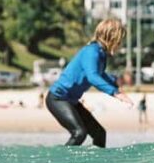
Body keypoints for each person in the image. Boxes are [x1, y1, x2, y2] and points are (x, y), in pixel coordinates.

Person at [45, 18, 133, 147]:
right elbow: (93, 77)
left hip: (71, 101)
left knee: (99, 133)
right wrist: (115, 93)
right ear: (111, 38)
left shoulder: (101, 54)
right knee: (79, 133)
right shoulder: (91, 51)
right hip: (57, 99)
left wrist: (115, 84)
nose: (120, 45)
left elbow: (101, 74)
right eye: (119, 41)